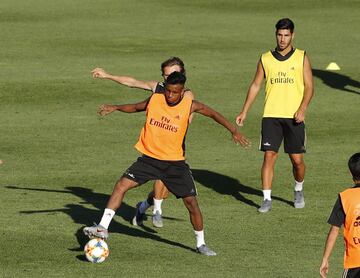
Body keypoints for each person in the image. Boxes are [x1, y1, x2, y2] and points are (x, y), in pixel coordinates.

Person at [83, 71, 250, 256]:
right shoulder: (156, 99)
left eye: (175, 92)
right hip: (149, 159)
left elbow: (214, 114)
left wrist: (234, 131)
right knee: (121, 185)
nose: (170, 95)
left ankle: (201, 243)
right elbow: (137, 107)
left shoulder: (190, 105)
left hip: (175, 165)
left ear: (182, 91)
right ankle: (102, 227)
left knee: (192, 204)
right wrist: (116, 107)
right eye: (168, 91)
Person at [91, 57, 193, 228]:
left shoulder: (186, 95)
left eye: (174, 74)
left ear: (182, 74)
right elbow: (132, 82)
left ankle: (145, 206)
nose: (169, 78)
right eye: (166, 75)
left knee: (163, 188)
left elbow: (186, 119)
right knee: (149, 180)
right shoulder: (158, 88)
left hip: (173, 148)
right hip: (153, 146)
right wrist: (107, 75)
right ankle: (157, 211)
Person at [235, 18, 314, 213]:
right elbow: (255, 85)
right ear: (275, 34)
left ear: (292, 36)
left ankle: (298, 189)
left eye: (286, 35)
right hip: (271, 115)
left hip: (294, 117)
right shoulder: (265, 58)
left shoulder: (302, 57)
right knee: (269, 156)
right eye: (279, 35)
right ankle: (267, 199)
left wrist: (303, 108)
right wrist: (244, 110)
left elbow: (310, 86)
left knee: (297, 161)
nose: (282, 39)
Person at [320, 153, 360, 278]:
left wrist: (325, 259)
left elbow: (334, 230)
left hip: (355, 262)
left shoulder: (345, 197)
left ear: (350, 173)